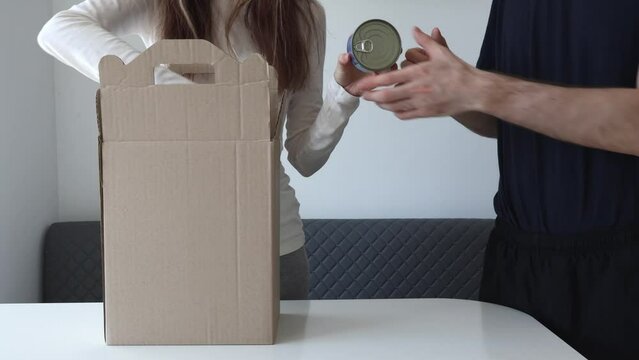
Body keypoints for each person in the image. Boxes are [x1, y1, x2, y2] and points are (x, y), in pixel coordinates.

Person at [356, 1, 639, 358]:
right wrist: (451, 90)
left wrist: (480, 88)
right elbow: (498, 118)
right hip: (515, 263)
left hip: (621, 270)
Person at [38, 0, 370, 300]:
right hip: (173, 248)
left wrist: (343, 95)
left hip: (272, 247)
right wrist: (179, 92)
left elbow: (304, 157)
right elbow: (59, 30)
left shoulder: (302, 13)